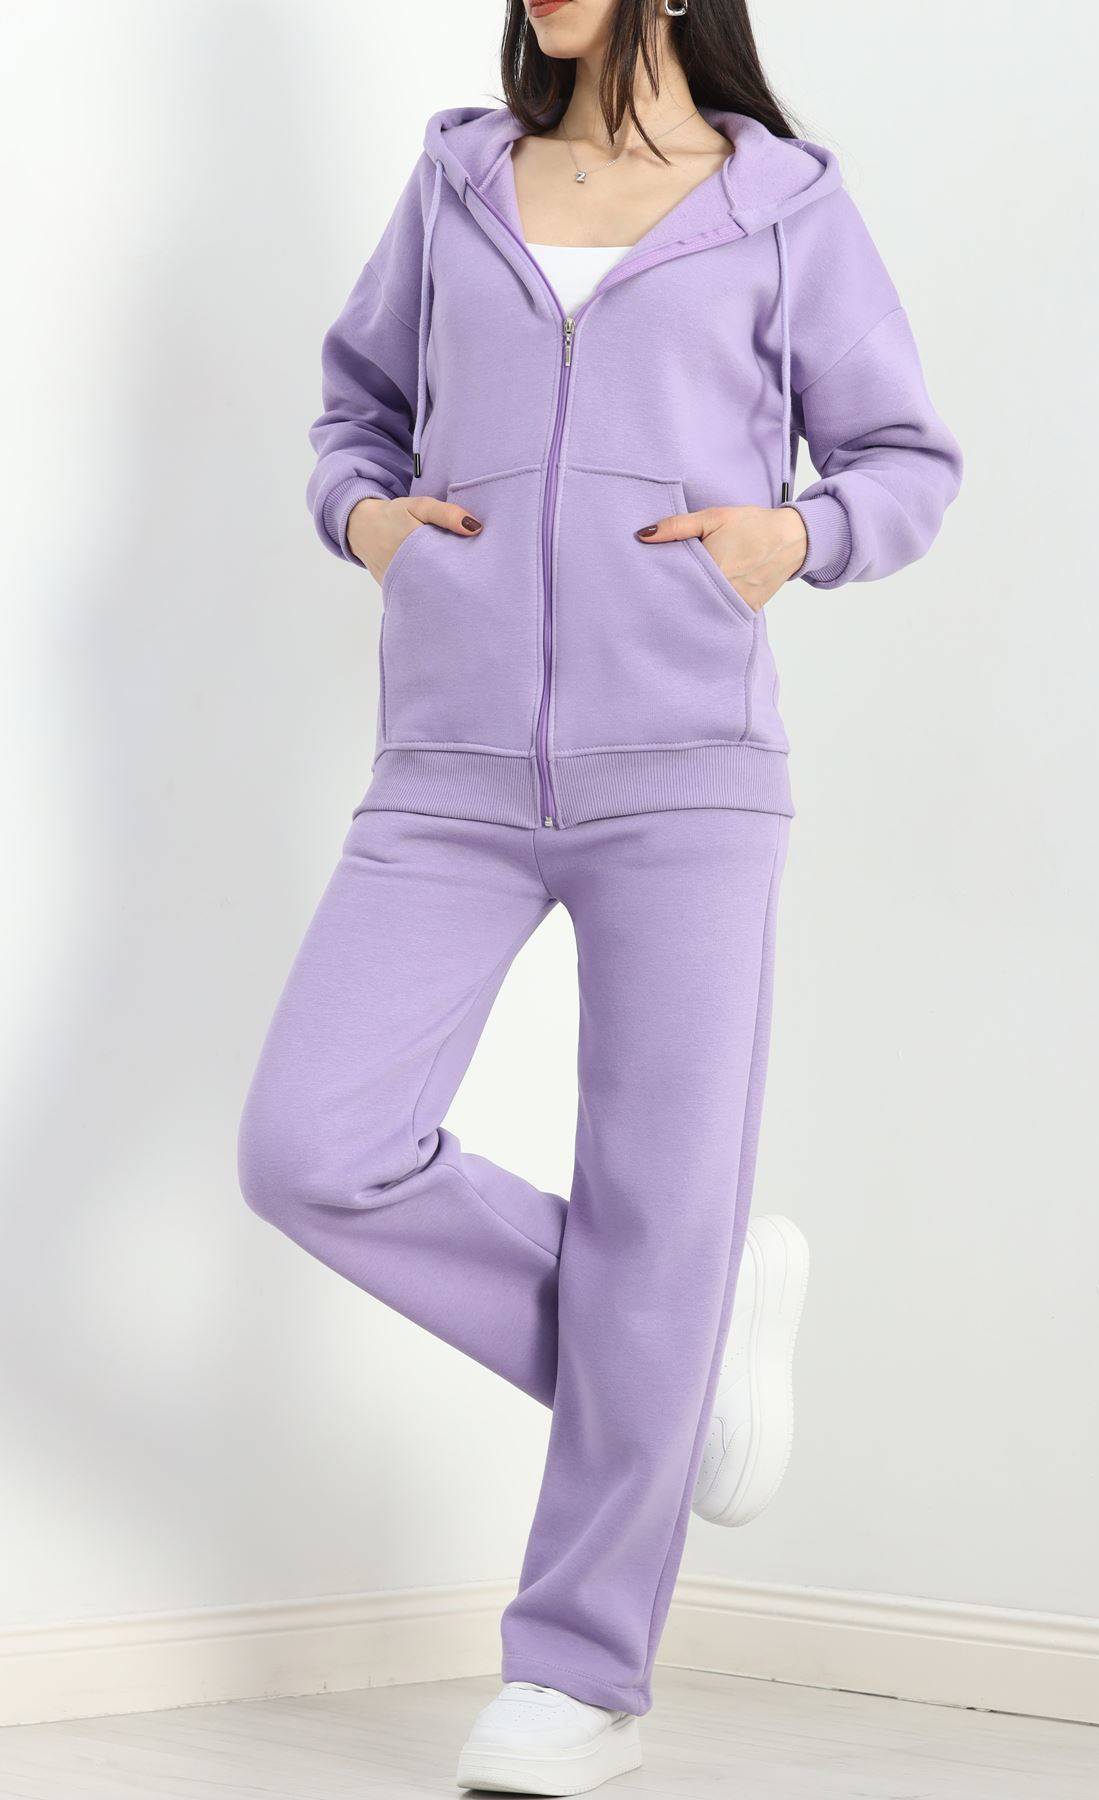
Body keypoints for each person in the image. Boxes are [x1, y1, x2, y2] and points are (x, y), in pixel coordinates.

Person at [238, 0, 962, 1790]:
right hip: (448, 771)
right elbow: (355, 411)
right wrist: (367, 520)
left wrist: (792, 539)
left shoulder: (785, 206)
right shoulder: (458, 181)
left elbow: (905, 462)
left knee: (658, 1203)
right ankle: (686, 1346)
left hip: (690, 776)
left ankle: (579, 1677)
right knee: (312, 1144)